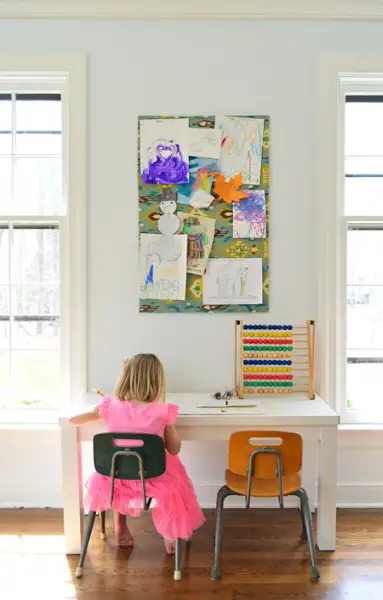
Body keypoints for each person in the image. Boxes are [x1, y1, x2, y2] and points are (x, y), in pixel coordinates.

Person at [69, 354, 205, 553]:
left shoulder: (109, 406)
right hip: (153, 478)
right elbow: (174, 449)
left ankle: (120, 526)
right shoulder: (163, 411)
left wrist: (88, 414)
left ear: (125, 377)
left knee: (119, 473)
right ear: (157, 381)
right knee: (176, 479)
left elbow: (74, 420)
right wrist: (170, 425)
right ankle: (170, 534)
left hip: (115, 477)